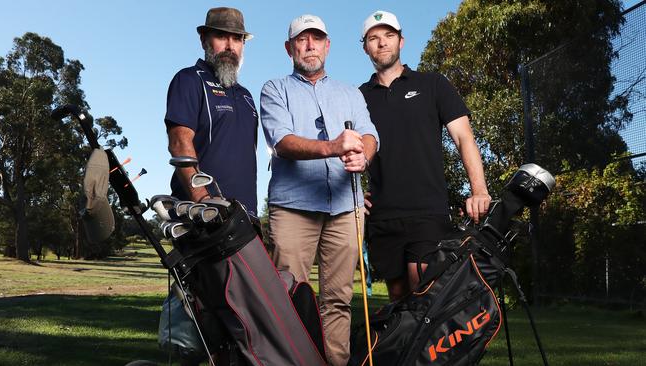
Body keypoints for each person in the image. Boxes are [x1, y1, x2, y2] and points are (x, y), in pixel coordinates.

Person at [260, 14, 379, 366]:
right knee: (288, 297)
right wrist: (334, 147)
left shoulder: (350, 93)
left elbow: (370, 134)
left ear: (327, 46)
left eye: (317, 39)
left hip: (346, 206)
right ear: (289, 48)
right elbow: (282, 141)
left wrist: (364, 156)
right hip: (294, 207)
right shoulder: (274, 89)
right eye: (302, 39)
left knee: (338, 300)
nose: (309, 45)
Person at [359, 10, 492, 301]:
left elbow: (463, 137)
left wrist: (479, 190)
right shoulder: (358, 97)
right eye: (374, 38)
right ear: (365, 46)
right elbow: (352, 149)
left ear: (401, 41)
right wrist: (357, 195)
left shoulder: (433, 84)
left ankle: (435, 348)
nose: (382, 43)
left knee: (423, 289)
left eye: (389, 36)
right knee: (398, 300)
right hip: (383, 215)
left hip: (427, 210)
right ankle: (405, 349)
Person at [165, 7, 257, 215]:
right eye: (221, 36)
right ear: (204, 40)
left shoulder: (246, 97)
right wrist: (203, 200)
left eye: (236, 39)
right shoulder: (189, 79)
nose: (229, 46)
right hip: (201, 214)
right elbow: (179, 143)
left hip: (244, 216)